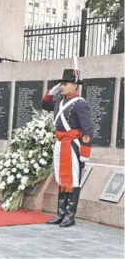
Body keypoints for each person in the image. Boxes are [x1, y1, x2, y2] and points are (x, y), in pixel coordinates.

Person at [41, 67, 93, 227]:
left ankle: (70, 216)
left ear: (74, 86)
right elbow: (44, 104)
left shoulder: (80, 103)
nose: (62, 86)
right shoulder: (60, 101)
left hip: (72, 145)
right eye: (61, 84)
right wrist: (53, 90)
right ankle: (60, 213)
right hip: (60, 142)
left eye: (65, 84)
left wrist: (85, 152)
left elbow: (88, 129)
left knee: (73, 179)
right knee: (61, 178)